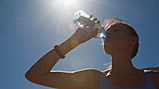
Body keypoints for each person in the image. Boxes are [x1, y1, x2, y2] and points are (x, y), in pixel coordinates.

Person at [25, 17, 159, 89]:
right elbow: (35, 76)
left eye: (115, 30)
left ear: (133, 40)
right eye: (107, 31)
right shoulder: (94, 80)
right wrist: (73, 41)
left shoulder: (153, 79)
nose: (107, 34)